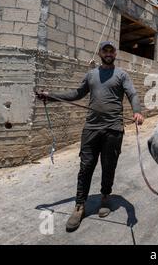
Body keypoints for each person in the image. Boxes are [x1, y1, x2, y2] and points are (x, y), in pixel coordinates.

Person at [36, 41, 144, 232]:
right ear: (101, 53)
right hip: (91, 129)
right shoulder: (91, 75)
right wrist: (50, 96)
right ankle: (79, 205)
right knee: (85, 167)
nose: (109, 53)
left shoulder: (121, 75)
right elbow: (76, 94)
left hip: (113, 129)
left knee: (108, 166)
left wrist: (136, 111)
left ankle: (105, 197)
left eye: (111, 51)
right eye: (105, 50)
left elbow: (132, 94)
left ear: (115, 53)